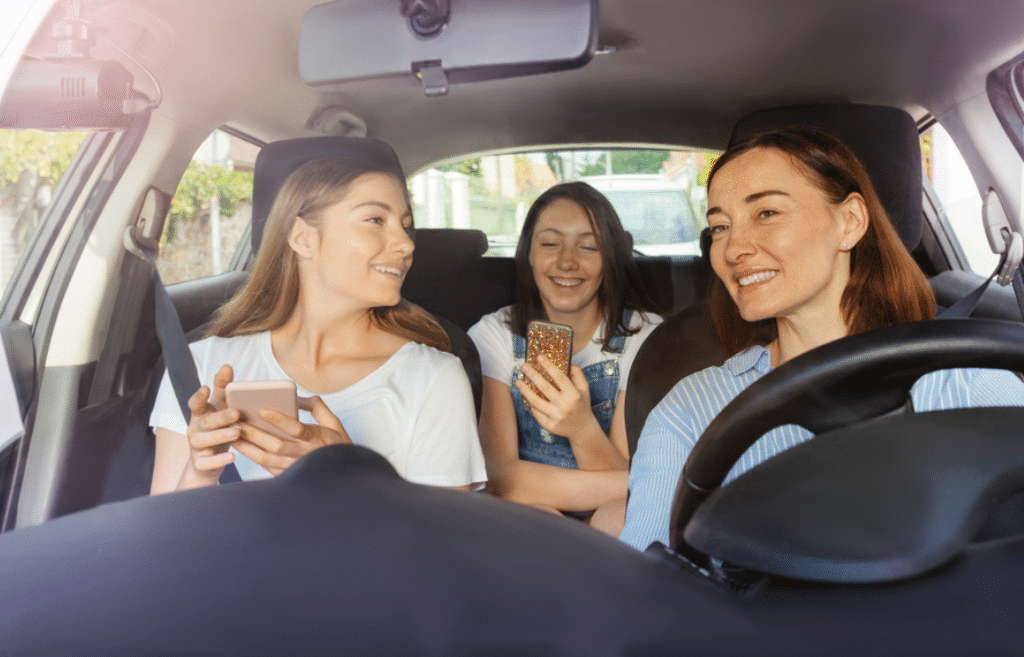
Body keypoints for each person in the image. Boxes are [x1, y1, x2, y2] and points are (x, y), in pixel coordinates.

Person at [620, 128, 1024, 550]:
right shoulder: (690, 412)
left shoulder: (963, 381)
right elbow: (653, 587)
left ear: (849, 222)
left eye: (766, 213)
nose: (733, 247)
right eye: (720, 226)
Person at [149, 148, 487, 494]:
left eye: (406, 226)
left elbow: (439, 545)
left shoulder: (433, 378)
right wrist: (201, 471)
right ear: (303, 237)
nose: (406, 244)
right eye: (375, 220)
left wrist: (348, 475)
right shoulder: (201, 366)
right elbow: (162, 542)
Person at [468, 182, 663, 530]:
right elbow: (501, 479)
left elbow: (629, 498)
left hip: (610, 516)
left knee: (615, 515)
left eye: (588, 246)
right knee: (538, 520)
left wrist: (581, 428)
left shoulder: (645, 336)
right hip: (531, 516)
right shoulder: (494, 334)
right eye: (549, 244)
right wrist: (646, 482)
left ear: (611, 259)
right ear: (528, 254)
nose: (567, 262)